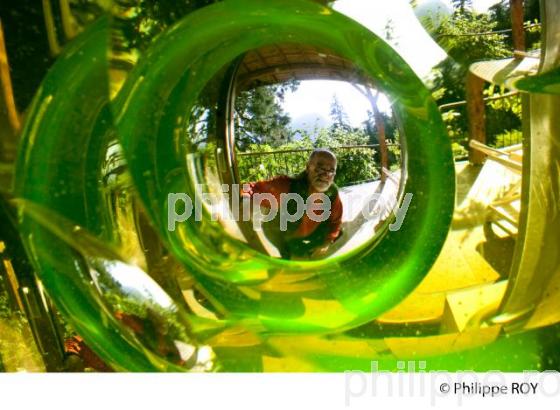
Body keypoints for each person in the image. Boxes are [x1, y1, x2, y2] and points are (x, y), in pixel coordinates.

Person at [243, 149, 343, 259]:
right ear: (308, 167)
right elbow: (249, 188)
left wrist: (327, 242)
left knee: (339, 235)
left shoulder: (332, 193)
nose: (325, 175)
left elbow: (336, 221)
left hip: (310, 236)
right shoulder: (287, 186)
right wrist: (245, 200)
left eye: (331, 171)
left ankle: (301, 248)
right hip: (283, 237)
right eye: (320, 168)